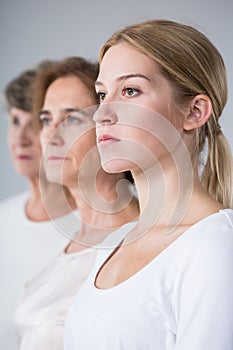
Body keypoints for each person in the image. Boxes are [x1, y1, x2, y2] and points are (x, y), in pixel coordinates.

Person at [64, 20, 233, 349]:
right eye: (102, 94)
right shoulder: (115, 244)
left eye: (130, 90)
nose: (101, 114)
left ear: (195, 112)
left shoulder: (214, 249)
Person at [14, 56, 139, 349]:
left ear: (110, 129)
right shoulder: (72, 241)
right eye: (46, 120)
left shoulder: (139, 244)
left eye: (71, 119)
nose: (51, 136)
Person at [0, 61, 77, 350]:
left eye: (37, 123)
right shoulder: (3, 218)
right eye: (15, 122)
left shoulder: (97, 228)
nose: (21, 139)